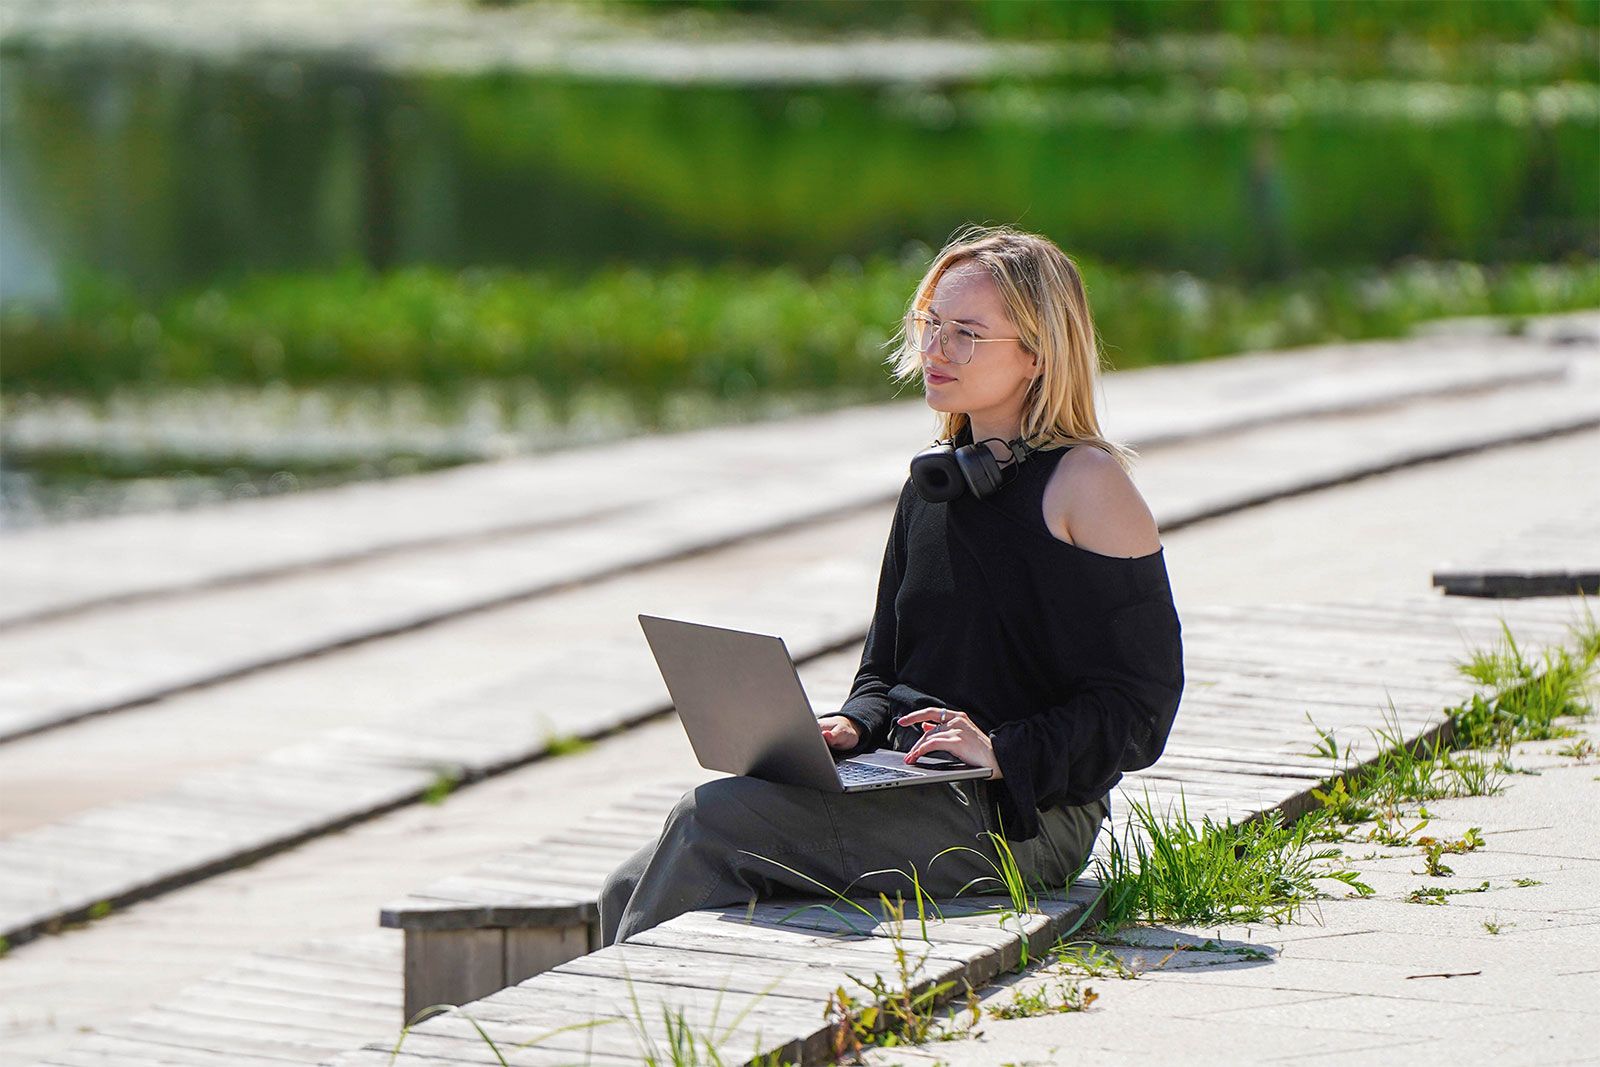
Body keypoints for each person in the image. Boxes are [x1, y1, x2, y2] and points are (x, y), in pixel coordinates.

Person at [599, 224, 1185, 947]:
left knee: (708, 823)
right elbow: (885, 670)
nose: (935, 350)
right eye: (930, 324)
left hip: (1026, 815)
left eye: (967, 333)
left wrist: (1002, 749)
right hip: (916, 785)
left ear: (1037, 354)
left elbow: (1141, 708)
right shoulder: (936, 484)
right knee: (625, 880)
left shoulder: (1087, 485)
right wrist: (852, 726)